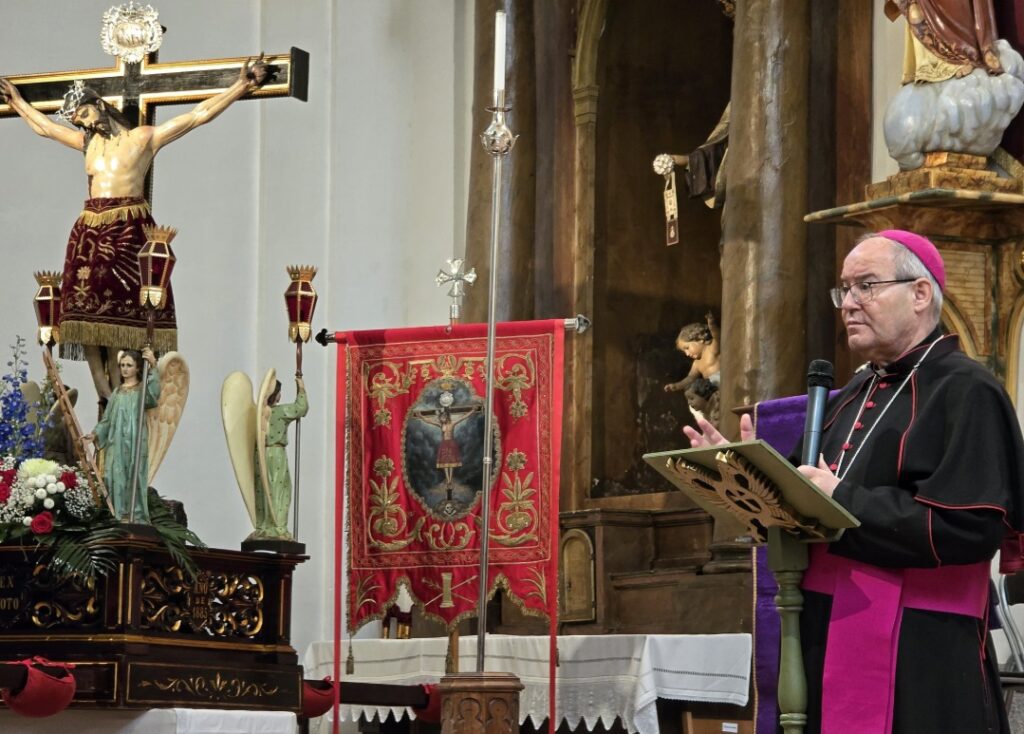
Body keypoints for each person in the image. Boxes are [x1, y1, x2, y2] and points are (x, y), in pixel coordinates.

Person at [684, 230, 1024, 733]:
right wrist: (741, 471)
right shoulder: (855, 391)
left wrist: (842, 498)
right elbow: (798, 503)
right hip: (829, 629)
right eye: (844, 289)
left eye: (866, 285)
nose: (848, 303)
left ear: (920, 293)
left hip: (921, 646)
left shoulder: (968, 389)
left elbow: (970, 528)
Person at [0, 56, 270, 402]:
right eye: (77, 120)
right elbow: (46, 129)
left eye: (84, 114)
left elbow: (197, 115)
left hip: (126, 227)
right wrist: (18, 103)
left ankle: (121, 392)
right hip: (89, 230)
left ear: (99, 104)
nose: (82, 123)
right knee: (84, 313)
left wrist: (242, 85)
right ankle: (104, 393)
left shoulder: (143, 138)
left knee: (117, 316)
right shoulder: (88, 144)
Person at [83, 348, 159, 523]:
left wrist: (153, 365)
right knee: (113, 476)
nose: (125, 369)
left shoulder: (142, 390)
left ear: (137, 368)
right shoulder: (117, 392)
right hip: (116, 442)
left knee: (134, 475)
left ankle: (134, 515)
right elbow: (107, 419)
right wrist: (94, 435)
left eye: (129, 365)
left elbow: (153, 396)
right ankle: (117, 514)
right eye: (122, 365)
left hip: (135, 440)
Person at [252, 377, 307, 540]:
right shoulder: (281, 411)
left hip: (259, 455)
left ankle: (263, 526)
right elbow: (301, 408)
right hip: (276, 454)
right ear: (277, 395)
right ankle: (278, 527)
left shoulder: (257, 414)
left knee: (262, 489)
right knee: (279, 488)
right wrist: (301, 387)